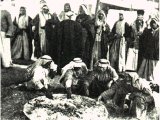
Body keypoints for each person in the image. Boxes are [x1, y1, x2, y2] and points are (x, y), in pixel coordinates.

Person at [138, 15, 159, 80]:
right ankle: (146, 76)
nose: (153, 24)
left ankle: (153, 77)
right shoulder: (148, 31)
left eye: (154, 23)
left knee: (154, 65)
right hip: (149, 51)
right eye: (152, 23)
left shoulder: (158, 31)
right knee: (146, 64)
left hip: (156, 51)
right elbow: (143, 38)